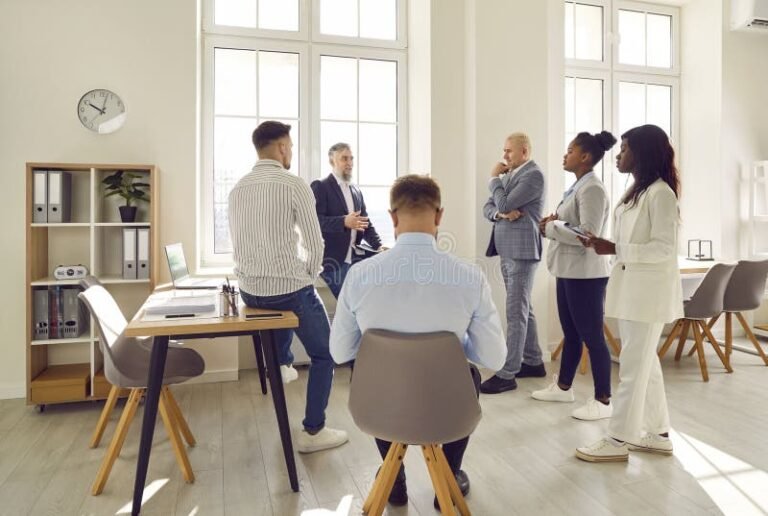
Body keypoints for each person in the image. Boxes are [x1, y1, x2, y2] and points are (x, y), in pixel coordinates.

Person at [329, 174, 506, 507]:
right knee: (468, 374)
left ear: (393, 218)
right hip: (448, 409)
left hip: (380, 407)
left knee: (369, 371)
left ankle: (393, 478)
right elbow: (494, 358)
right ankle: (448, 476)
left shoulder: (360, 275)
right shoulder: (469, 276)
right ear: (439, 216)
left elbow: (340, 352)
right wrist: (453, 347)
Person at [228, 120, 348, 454]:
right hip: (287, 288)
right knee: (326, 354)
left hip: (250, 292)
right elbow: (315, 242)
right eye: (291, 147)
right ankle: (313, 432)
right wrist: (307, 277)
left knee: (274, 304)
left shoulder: (237, 188)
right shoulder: (292, 183)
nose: (291, 152)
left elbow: (236, 243)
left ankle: (281, 364)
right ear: (281, 147)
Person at [575, 124, 683, 462]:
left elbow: (665, 248)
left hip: (648, 296)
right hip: (634, 291)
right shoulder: (637, 191)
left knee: (634, 368)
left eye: (624, 149)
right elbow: (628, 243)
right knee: (645, 365)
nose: (618, 155)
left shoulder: (661, 193)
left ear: (642, 152)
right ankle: (659, 433)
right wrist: (604, 245)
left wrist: (616, 247)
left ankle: (618, 440)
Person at [532, 131, 616, 421]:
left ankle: (604, 400)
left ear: (585, 157)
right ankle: (564, 388)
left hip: (586, 274)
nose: (564, 155)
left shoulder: (592, 188)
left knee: (593, 336)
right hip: (568, 270)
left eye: (569, 150)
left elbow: (588, 234)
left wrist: (551, 228)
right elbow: (573, 224)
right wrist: (556, 223)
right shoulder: (578, 186)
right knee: (571, 334)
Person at [480, 132, 547, 394]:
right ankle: (533, 361)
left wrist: (494, 180)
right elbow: (490, 207)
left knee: (515, 311)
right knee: (524, 307)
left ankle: (508, 374)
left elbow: (504, 200)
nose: (504, 155)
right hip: (509, 249)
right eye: (504, 150)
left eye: (509, 151)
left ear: (525, 152)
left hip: (522, 250)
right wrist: (500, 213)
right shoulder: (512, 175)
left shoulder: (533, 175)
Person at [310, 143, 382, 298]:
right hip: (332, 261)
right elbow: (315, 222)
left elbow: (366, 224)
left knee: (364, 302)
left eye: (351, 158)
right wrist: (343, 221)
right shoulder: (320, 186)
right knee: (352, 305)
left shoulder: (356, 190)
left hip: (356, 260)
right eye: (344, 158)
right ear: (332, 161)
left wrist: (379, 245)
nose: (349, 163)